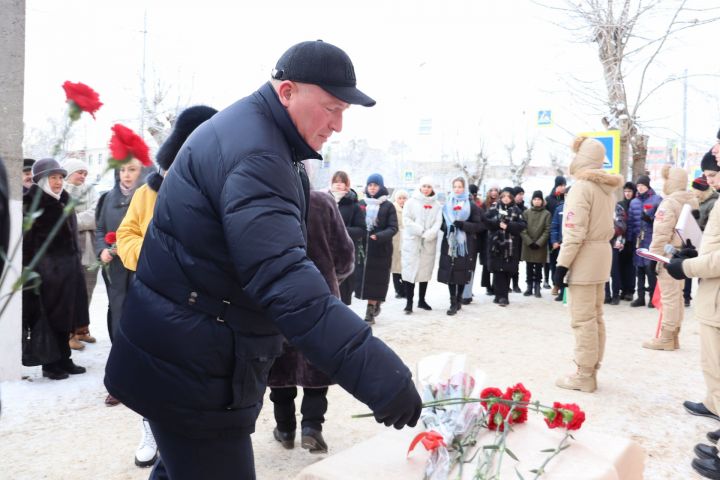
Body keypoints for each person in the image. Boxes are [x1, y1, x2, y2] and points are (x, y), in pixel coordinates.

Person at [104, 40, 421, 480]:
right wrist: (379, 374)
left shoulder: (257, 134)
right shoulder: (257, 154)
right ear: (288, 91)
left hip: (188, 354)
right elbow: (284, 280)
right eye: (331, 107)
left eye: (344, 110)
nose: (339, 125)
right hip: (194, 369)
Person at [115, 105, 217, 469]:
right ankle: (150, 429)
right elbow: (126, 234)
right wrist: (152, 255)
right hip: (152, 297)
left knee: (192, 384)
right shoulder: (148, 192)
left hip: (203, 306)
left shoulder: (221, 194)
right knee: (152, 375)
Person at [268, 190, 354, 455]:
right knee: (317, 363)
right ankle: (312, 428)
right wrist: (332, 278)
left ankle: (284, 428)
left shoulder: (266, 200)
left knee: (279, 365)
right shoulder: (323, 201)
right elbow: (345, 256)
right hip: (320, 295)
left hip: (276, 295)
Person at [666, 134, 720, 479]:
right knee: (713, 367)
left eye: (714, 173)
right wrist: (693, 253)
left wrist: (685, 267)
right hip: (713, 298)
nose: (711, 181)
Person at [554, 137, 623, 393]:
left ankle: (583, 375)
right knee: (596, 318)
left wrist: (562, 266)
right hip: (601, 256)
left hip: (584, 258)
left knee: (582, 320)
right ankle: (592, 369)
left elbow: (574, 232)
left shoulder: (582, 187)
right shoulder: (607, 188)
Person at [22, 158, 88, 380]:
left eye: (60, 177)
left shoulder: (64, 201)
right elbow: (27, 243)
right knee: (49, 319)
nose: (58, 182)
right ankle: (50, 365)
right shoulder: (32, 204)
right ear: (41, 181)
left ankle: (64, 358)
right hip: (47, 275)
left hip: (68, 272)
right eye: (53, 178)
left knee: (66, 318)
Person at [641, 165, 698, 350]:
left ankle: (666, 338)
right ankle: (674, 336)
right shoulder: (692, 201)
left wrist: (654, 258)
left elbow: (660, 234)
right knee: (678, 295)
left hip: (669, 254)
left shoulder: (669, 203)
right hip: (686, 255)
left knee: (669, 297)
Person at [62, 158, 99, 349]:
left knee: (87, 291)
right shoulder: (61, 191)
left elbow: (95, 216)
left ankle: (81, 330)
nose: (83, 176)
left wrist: (72, 219)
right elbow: (60, 218)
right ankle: (68, 333)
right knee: (70, 293)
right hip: (69, 251)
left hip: (90, 251)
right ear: (69, 172)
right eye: (79, 172)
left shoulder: (92, 191)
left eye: (85, 173)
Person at [437, 177, 484, 315]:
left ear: (464, 188)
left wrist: (463, 225)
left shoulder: (471, 205)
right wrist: (447, 227)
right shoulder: (447, 205)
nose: (457, 189)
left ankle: (459, 300)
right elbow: (441, 223)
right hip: (450, 242)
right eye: (455, 186)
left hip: (465, 244)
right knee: (451, 272)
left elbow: (479, 225)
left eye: (460, 186)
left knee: (462, 272)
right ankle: (452, 302)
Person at [354, 173, 398, 324]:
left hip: (380, 249)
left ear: (381, 187)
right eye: (370, 185)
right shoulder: (360, 203)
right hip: (363, 249)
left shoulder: (388, 206)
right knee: (365, 280)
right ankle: (375, 301)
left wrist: (379, 236)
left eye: (375, 185)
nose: (372, 188)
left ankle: (370, 310)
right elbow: (355, 223)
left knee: (376, 280)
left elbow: (393, 228)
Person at [401, 176, 442, 314]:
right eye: (424, 186)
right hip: (412, 241)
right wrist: (420, 230)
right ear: (420, 187)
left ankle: (422, 300)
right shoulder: (411, 202)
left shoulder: (436, 205)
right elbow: (406, 219)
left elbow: (438, 222)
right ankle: (409, 302)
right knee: (409, 272)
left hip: (428, 243)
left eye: (429, 187)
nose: (426, 189)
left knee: (424, 272)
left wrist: (430, 233)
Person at [484, 188, 526, 307]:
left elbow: (522, 225)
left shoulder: (516, 210)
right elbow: (486, 221)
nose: (506, 199)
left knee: (507, 271)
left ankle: (504, 296)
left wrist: (508, 226)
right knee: (497, 272)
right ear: (500, 198)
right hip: (496, 245)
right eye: (504, 197)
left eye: (508, 197)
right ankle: (498, 295)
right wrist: (496, 222)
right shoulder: (494, 208)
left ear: (511, 199)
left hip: (510, 246)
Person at [626, 174, 662, 308]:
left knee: (650, 269)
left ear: (647, 186)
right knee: (639, 270)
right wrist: (629, 239)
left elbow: (662, 221)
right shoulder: (634, 202)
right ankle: (640, 298)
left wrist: (650, 220)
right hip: (637, 240)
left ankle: (653, 298)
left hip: (650, 239)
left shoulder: (657, 199)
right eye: (638, 186)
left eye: (642, 185)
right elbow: (630, 222)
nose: (640, 188)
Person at [330, 171, 366, 306]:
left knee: (344, 291)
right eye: (336, 181)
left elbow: (361, 229)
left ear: (347, 185)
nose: (339, 185)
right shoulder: (324, 200)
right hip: (325, 251)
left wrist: (342, 230)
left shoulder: (353, 204)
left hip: (345, 252)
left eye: (342, 182)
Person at [520, 190, 551, 298]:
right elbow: (522, 228)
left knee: (538, 267)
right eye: (535, 199)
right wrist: (529, 241)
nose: (537, 201)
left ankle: (537, 287)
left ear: (542, 201)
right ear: (532, 200)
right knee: (529, 266)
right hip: (528, 244)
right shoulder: (526, 213)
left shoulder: (546, 214)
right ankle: (529, 287)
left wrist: (539, 242)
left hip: (540, 245)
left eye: (539, 199)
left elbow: (547, 230)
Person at [462, 184, 485, 304]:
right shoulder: (451, 206)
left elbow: (481, 225)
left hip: (472, 241)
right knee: (458, 267)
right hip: (457, 242)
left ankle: (466, 294)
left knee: (469, 267)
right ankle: (459, 293)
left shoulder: (475, 208)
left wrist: (464, 226)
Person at [545, 175, 567, 291]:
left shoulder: (566, 198)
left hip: (564, 234)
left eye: (564, 185)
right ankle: (554, 283)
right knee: (553, 260)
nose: (562, 188)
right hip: (553, 233)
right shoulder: (549, 199)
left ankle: (561, 283)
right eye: (560, 185)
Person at [603, 202, 627, 305]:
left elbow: (621, 227)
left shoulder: (618, 208)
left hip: (614, 243)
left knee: (614, 271)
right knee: (603, 271)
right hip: (601, 243)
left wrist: (608, 227)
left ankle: (616, 295)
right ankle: (606, 295)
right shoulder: (600, 206)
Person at [618, 182, 637, 301]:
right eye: (625, 191)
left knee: (631, 267)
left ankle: (630, 290)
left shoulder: (635, 204)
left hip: (633, 240)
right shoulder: (620, 204)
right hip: (621, 239)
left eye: (630, 191)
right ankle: (623, 289)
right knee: (621, 265)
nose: (627, 194)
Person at [391, 189, 409, 299]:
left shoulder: (410, 208)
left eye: (404, 198)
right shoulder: (392, 208)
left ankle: (406, 290)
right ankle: (398, 290)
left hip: (407, 240)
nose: (402, 200)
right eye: (400, 198)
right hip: (396, 240)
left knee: (406, 266)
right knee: (395, 267)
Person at [549, 190, 567, 302]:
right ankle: (561, 290)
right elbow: (554, 226)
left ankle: (568, 292)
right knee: (560, 267)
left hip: (573, 244)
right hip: (561, 244)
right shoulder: (560, 208)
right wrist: (554, 240)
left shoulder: (579, 208)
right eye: (566, 195)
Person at [511, 186, 526, 293]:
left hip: (520, 239)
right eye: (519, 194)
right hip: (508, 238)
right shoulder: (510, 208)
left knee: (516, 263)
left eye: (522, 194)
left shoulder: (524, 209)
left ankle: (515, 284)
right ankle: (506, 284)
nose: (521, 196)